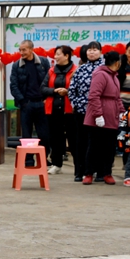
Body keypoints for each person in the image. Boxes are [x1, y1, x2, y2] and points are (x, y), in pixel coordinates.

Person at [82, 52, 125, 185]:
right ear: (117, 62)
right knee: (94, 146)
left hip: (112, 117)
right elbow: (94, 96)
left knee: (109, 147)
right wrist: (98, 114)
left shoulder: (115, 77)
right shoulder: (100, 74)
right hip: (98, 117)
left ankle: (106, 173)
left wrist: (122, 112)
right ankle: (88, 173)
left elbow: (117, 98)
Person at [9, 40, 51, 166]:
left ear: (31, 49)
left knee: (44, 134)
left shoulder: (43, 62)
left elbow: (49, 80)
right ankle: (28, 160)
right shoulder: (17, 65)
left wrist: (46, 98)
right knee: (26, 135)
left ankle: (43, 159)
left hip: (41, 103)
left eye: (24, 50)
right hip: (26, 104)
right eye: (20, 50)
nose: (21, 52)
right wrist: (23, 101)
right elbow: (14, 85)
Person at [68, 41, 105, 181]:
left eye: (95, 50)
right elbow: (72, 90)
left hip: (100, 112)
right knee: (81, 142)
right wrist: (78, 104)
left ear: (100, 52)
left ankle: (99, 171)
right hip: (82, 111)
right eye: (90, 50)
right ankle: (80, 171)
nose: (92, 52)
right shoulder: (80, 69)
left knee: (98, 142)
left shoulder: (105, 69)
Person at [41, 45, 79, 175]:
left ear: (66, 56)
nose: (55, 57)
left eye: (58, 54)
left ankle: (79, 166)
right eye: (55, 54)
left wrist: (68, 92)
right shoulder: (51, 71)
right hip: (53, 110)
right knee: (55, 138)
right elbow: (43, 89)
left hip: (70, 110)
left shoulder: (76, 70)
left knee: (73, 139)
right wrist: (55, 91)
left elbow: (80, 90)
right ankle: (57, 164)